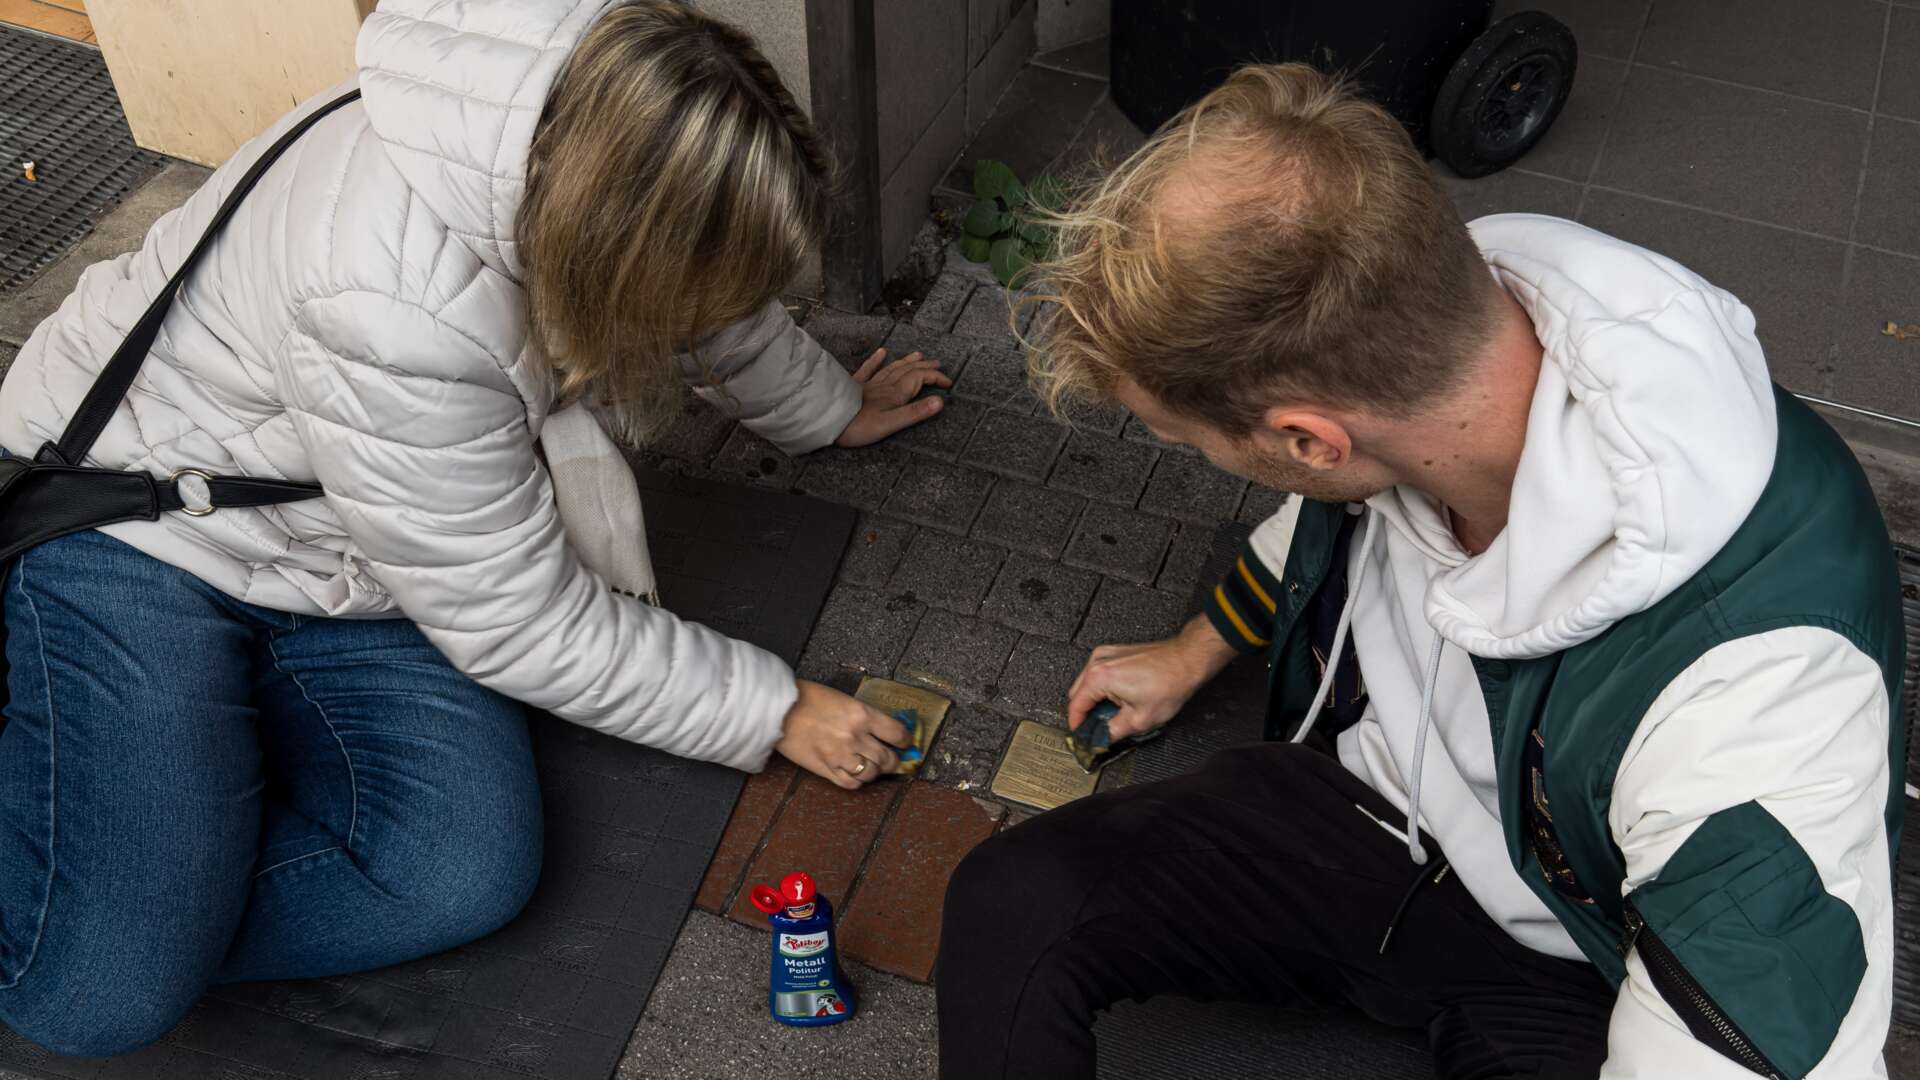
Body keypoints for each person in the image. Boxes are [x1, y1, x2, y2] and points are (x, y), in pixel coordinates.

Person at [0, 0, 940, 1056]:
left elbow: (702, 279)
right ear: (609, 247)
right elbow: (521, 622)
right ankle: (103, 881)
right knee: (90, 998)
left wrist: (825, 409)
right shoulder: (397, 306)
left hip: (343, 548)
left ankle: (149, 841)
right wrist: (774, 708)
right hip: (146, 534)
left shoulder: (570, 124)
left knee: (459, 872)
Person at [937, 63, 1902, 1079]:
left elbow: (1757, 1042)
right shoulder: (1424, 343)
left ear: (1310, 442)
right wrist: (1191, 651)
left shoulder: (1764, 697)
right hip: (1358, 822)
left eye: (1190, 441)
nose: (1202, 459)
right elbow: (1321, 519)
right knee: (1017, 900)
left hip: (1571, 965)